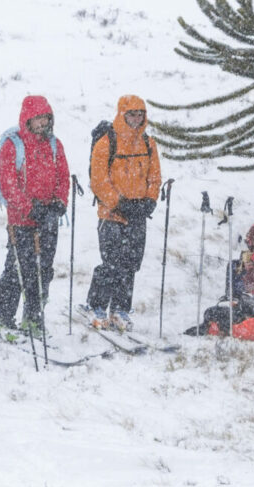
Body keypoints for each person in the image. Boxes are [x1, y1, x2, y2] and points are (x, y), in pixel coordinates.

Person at [0, 95, 72, 343]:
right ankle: (4, 320)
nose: (42, 123)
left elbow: (63, 177)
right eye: (37, 118)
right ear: (27, 119)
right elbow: (9, 185)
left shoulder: (54, 145)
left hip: (47, 219)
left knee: (43, 271)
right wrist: (30, 208)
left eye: (46, 118)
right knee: (17, 270)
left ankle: (34, 318)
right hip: (21, 221)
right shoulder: (12, 145)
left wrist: (59, 202)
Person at [83, 94, 162, 330]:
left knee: (130, 264)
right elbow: (99, 180)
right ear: (122, 114)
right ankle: (96, 306)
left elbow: (155, 177)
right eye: (132, 114)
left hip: (138, 215)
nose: (136, 118)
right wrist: (119, 203)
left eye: (140, 114)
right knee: (111, 262)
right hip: (112, 215)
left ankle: (120, 309)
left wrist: (149, 201)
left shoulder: (148, 143)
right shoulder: (106, 143)